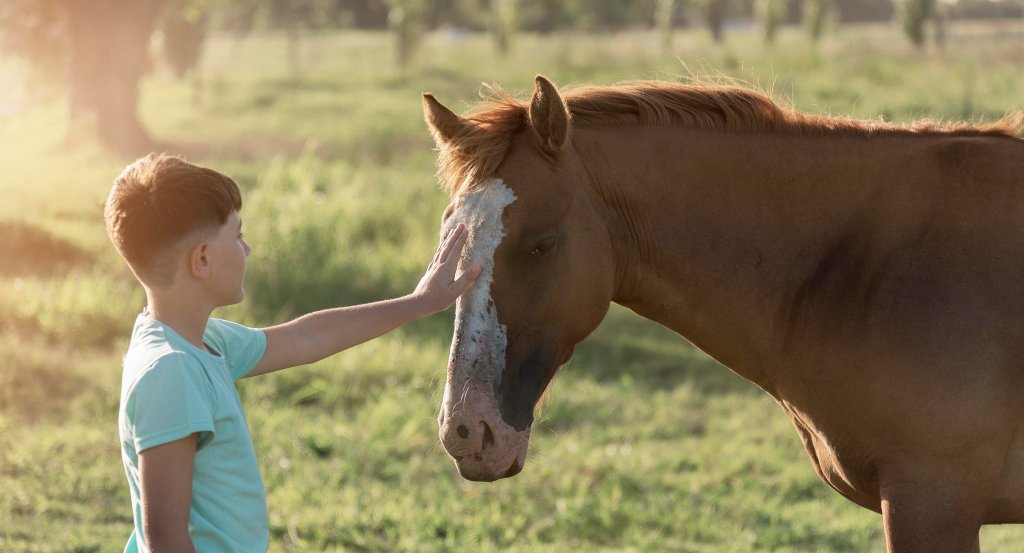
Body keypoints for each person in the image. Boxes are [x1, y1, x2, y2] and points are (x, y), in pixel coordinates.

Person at [103, 153, 480, 553]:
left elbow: (307, 338)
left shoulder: (201, 341)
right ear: (202, 259)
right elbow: (164, 536)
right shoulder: (170, 372)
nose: (247, 250)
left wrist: (418, 303)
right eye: (237, 236)